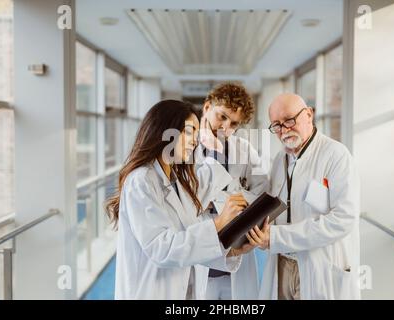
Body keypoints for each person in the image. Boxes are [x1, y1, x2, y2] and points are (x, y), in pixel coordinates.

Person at [106, 100, 255, 299]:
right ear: (165, 131)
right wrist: (219, 223)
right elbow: (163, 248)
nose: (194, 141)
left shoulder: (177, 182)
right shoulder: (141, 181)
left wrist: (233, 252)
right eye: (188, 132)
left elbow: (188, 246)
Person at [248, 93, 361, 300]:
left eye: (290, 119)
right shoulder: (279, 160)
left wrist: (276, 237)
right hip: (282, 264)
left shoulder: (336, 155)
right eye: (277, 125)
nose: (284, 129)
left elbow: (343, 219)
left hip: (319, 266)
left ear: (309, 114)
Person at [195, 82, 268, 300]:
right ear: (207, 107)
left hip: (236, 259)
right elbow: (186, 200)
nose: (225, 128)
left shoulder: (245, 151)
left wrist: (213, 200)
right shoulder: (185, 149)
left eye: (234, 124)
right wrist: (230, 201)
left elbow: (262, 196)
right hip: (199, 261)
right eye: (222, 116)